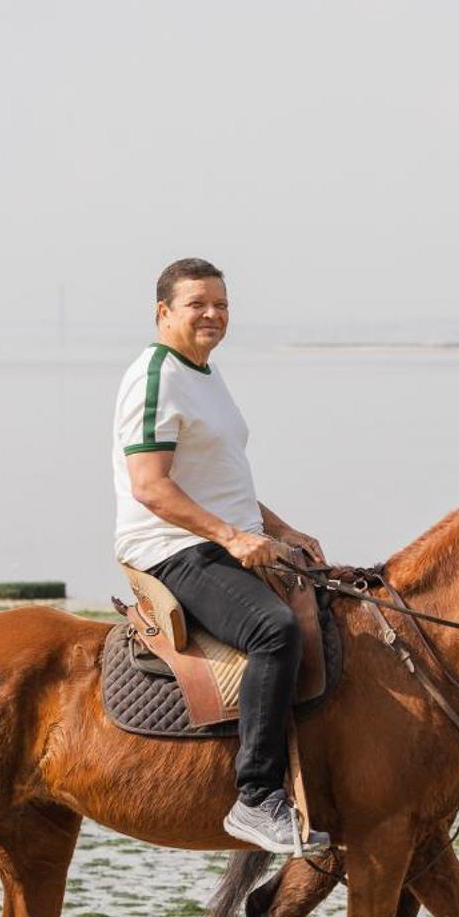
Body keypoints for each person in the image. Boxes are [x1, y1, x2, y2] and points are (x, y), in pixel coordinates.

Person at [113, 257, 328, 857]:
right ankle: (257, 797)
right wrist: (233, 538)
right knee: (273, 631)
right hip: (171, 548)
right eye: (198, 304)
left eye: (222, 305)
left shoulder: (204, 373)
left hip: (213, 536)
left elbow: (215, 478)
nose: (213, 314)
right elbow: (150, 486)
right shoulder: (156, 374)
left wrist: (283, 530)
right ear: (164, 312)